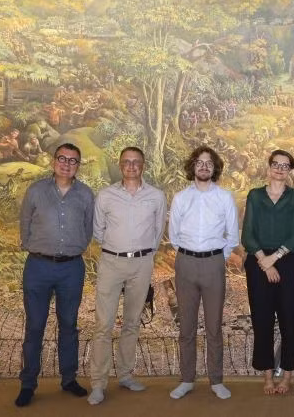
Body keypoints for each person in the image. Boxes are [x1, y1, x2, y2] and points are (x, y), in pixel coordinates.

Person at [16, 143, 94, 407]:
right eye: (62, 158)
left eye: (73, 160)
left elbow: (88, 228)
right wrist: (33, 246)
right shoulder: (37, 190)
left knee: (69, 325)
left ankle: (69, 378)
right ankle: (28, 383)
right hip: (38, 267)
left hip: (71, 268)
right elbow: (24, 222)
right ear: (53, 162)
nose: (67, 164)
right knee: (35, 326)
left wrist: (75, 247)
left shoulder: (85, 194)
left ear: (77, 166)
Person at [87, 147, 166, 405]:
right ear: (120, 166)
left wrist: (144, 254)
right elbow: (98, 231)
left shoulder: (156, 196)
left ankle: (125, 374)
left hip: (142, 264)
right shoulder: (106, 196)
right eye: (126, 162)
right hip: (111, 262)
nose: (131, 166)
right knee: (103, 325)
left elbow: (157, 231)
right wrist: (117, 249)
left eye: (136, 162)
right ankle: (98, 383)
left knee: (132, 322)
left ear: (143, 166)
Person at [168, 146, 239, 400]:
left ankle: (216, 380)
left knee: (213, 327)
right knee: (186, 326)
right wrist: (190, 255)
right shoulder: (180, 198)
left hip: (213, 264)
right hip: (185, 263)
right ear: (193, 166)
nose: (204, 166)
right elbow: (174, 236)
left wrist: (216, 258)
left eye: (209, 162)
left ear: (215, 167)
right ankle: (186, 379)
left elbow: (232, 236)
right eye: (199, 162)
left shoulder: (225, 197)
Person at [241, 149, 294, 395]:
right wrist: (264, 261)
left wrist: (274, 259)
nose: (280, 168)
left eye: (285, 165)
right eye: (276, 164)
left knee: (290, 320)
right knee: (262, 321)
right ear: (268, 167)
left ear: (290, 171)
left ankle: (287, 377)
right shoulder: (255, 196)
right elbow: (247, 235)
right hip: (258, 263)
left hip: (289, 262)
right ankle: (267, 377)